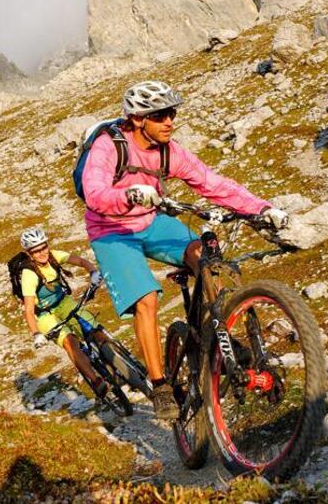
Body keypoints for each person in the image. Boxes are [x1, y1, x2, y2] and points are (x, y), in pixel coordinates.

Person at [80, 80, 289, 419]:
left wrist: (262, 209)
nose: (169, 122)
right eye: (160, 115)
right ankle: (161, 385)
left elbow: (212, 183)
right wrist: (129, 195)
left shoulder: (168, 150)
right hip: (111, 231)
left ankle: (221, 332)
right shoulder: (109, 146)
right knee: (146, 300)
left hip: (150, 220)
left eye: (172, 113)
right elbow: (95, 194)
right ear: (136, 119)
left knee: (205, 256)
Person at [18, 227, 112, 396]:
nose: (42, 253)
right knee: (70, 342)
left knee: (95, 330)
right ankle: (96, 380)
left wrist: (93, 272)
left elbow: (81, 261)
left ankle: (118, 365)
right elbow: (29, 310)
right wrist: (35, 333)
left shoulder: (54, 256)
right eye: (36, 251)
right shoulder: (29, 275)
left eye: (43, 247)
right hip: (44, 314)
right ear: (29, 254)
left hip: (63, 302)